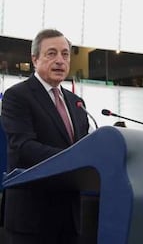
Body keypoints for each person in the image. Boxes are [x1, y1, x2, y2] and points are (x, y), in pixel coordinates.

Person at [0, 29, 90, 244]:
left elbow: (86, 148)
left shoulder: (77, 103)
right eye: (51, 53)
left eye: (65, 54)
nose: (60, 60)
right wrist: (74, 160)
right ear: (35, 59)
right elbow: (23, 148)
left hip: (70, 219)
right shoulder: (17, 96)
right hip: (32, 218)